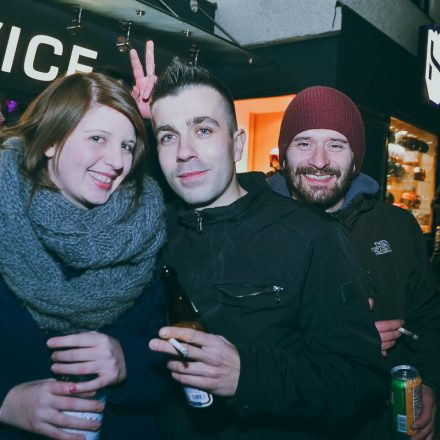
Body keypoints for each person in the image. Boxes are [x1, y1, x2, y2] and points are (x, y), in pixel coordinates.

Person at [129, 44, 388, 440]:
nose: (184, 152)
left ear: (236, 144)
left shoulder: (310, 236)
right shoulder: (151, 232)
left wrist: (248, 375)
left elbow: (361, 380)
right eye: (168, 136)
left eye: (203, 129)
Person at [0, 72, 167, 439]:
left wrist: (129, 361)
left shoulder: (144, 229)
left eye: (127, 145)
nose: (116, 161)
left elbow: (171, 362)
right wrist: (6, 402)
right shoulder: (4, 220)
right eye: (97, 138)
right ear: (50, 142)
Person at [268, 85, 440, 440]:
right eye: (303, 143)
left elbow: (429, 317)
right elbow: (235, 344)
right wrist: (336, 343)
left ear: (356, 156)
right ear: (284, 155)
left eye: (336, 144)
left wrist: (431, 383)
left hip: (383, 425)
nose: (319, 160)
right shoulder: (256, 229)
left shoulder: (397, 226)